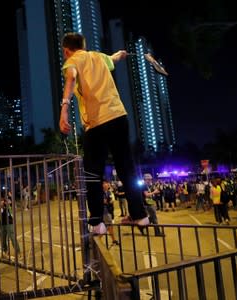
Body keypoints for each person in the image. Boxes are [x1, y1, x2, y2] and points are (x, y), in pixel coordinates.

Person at [59, 32, 149, 234]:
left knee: (93, 172)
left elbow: (72, 77)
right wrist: (120, 54)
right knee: (126, 166)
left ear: (66, 51)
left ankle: (97, 222)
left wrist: (64, 108)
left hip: (96, 122)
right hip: (118, 116)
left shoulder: (73, 60)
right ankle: (140, 215)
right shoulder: (99, 56)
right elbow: (114, 58)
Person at [0, 193, 21, 259]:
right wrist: (1, 206)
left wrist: (11, 199)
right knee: (3, 239)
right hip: (1, 225)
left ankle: (18, 252)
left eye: (3, 200)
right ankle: (5, 252)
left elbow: (14, 208)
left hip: (9, 223)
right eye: (1, 200)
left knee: (13, 238)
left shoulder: (9, 205)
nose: (2, 201)